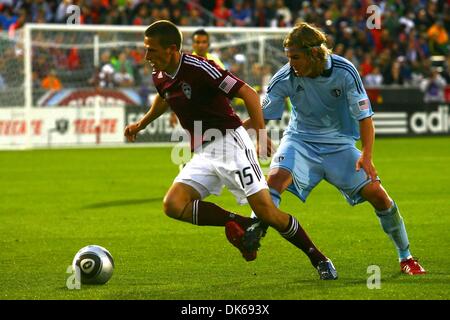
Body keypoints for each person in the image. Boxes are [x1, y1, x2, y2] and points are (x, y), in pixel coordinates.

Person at [124, 20, 337, 280]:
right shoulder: (160, 75)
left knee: (268, 212)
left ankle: (319, 258)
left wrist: (259, 134)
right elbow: (163, 97)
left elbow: (247, 93)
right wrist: (140, 124)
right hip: (204, 152)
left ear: (170, 49)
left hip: (231, 143)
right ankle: (246, 225)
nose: (147, 57)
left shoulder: (200, 68)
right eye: (146, 50)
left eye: (152, 50)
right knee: (173, 204)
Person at [244, 22, 426, 276]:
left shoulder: (344, 71)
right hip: (300, 140)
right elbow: (260, 114)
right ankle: (254, 230)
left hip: (339, 144)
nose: (291, 63)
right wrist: (236, 132)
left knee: (379, 195)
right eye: (288, 57)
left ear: (313, 53)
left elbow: (365, 118)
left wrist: (367, 155)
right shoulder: (286, 76)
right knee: (274, 181)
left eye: (295, 57)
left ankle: (405, 256)